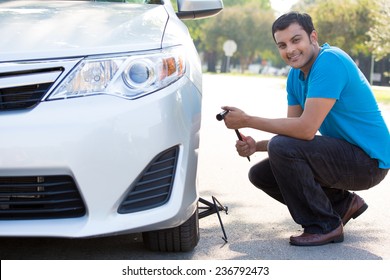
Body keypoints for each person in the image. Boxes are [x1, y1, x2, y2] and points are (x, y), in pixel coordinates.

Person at [222, 11, 390, 246]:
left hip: (369, 162)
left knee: (282, 147)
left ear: (313, 37)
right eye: (282, 45)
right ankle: (341, 205)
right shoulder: (295, 76)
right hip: (347, 156)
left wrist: (247, 119)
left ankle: (325, 225)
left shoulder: (331, 62)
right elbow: (292, 137)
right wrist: (256, 146)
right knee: (261, 174)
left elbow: (305, 130)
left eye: (296, 40)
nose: (289, 50)